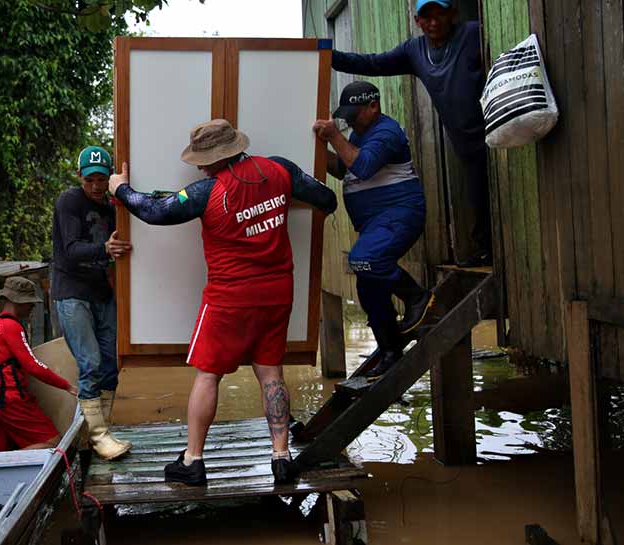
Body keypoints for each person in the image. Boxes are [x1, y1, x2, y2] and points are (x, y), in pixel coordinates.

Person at [108, 119, 338, 486]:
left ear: (215, 158)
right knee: (271, 373)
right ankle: (281, 457)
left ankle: (193, 461)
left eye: (202, 159)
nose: (198, 166)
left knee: (208, 375)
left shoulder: (205, 193)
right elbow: (327, 200)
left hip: (229, 298)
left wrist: (121, 190)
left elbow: (157, 211)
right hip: (278, 293)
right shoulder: (280, 169)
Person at [330, 0, 491, 266]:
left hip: (493, 129)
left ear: (452, 13)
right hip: (464, 140)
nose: (434, 22)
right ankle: (485, 248)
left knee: (497, 191)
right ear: (417, 21)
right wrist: (327, 55)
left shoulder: (473, 33)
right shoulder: (414, 51)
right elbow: (371, 63)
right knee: (478, 194)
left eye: (440, 14)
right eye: (426, 17)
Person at [313, 81, 434, 378]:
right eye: (347, 115)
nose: (351, 119)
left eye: (355, 113)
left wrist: (335, 136)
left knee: (364, 260)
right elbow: (345, 169)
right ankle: (390, 348)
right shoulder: (358, 135)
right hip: (375, 223)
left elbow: (363, 166)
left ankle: (418, 298)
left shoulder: (386, 132)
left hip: (398, 215)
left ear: (373, 107)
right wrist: (315, 151)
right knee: (368, 287)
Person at [51, 145, 133, 460]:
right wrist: (104, 250)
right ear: (80, 177)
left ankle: (101, 431)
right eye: (91, 180)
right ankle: (98, 437)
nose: (97, 186)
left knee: (111, 365)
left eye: (102, 179)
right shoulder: (69, 201)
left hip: (102, 292)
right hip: (72, 291)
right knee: (90, 364)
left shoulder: (114, 208)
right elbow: (70, 249)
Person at [0, 276, 78, 453]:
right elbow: (33, 366)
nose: (32, 307)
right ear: (18, 301)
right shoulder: (11, 327)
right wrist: (67, 386)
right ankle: (17, 459)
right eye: (30, 302)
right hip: (10, 401)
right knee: (55, 444)